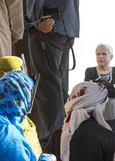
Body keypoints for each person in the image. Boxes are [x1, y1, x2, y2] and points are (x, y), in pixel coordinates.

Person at [24, 0, 80, 147]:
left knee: (48, 88)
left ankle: (53, 145)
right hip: (66, 26)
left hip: (47, 25)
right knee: (59, 87)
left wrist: (35, 19)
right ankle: (64, 141)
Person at [84, 44, 115, 144]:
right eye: (98, 54)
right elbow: (88, 92)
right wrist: (112, 86)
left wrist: (101, 86)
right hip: (96, 116)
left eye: (104, 54)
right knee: (98, 143)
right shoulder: (90, 71)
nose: (100, 56)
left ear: (111, 57)